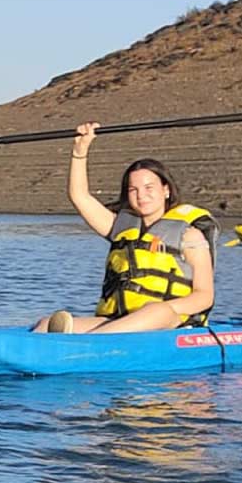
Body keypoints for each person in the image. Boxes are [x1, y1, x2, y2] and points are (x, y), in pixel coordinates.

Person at [33, 122, 216, 334]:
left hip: (169, 322)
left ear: (166, 190)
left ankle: (86, 345)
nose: (141, 195)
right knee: (47, 324)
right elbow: (79, 196)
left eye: (149, 188)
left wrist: (163, 308)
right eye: (133, 189)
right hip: (120, 320)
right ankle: (45, 348)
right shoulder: (118, 228)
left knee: (158, 313)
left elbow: (204, 296)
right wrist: (79, 151)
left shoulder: (189, 235)